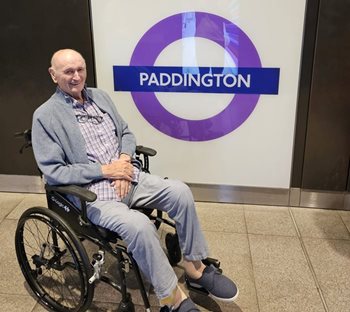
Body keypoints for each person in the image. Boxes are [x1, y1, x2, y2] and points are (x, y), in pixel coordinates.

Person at [31, 49, 238, 312]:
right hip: (92, 193)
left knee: (180, 192)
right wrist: (107, 171)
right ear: (53, 75)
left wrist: (125, 161)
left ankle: (195, 268)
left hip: (128, 175)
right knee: (140, 225)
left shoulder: (100, 97)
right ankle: (172, 299)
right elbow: (54, 172)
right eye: (68, 71)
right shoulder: (45, 116)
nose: (76, 76)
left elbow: (126, 133)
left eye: (80, 69)